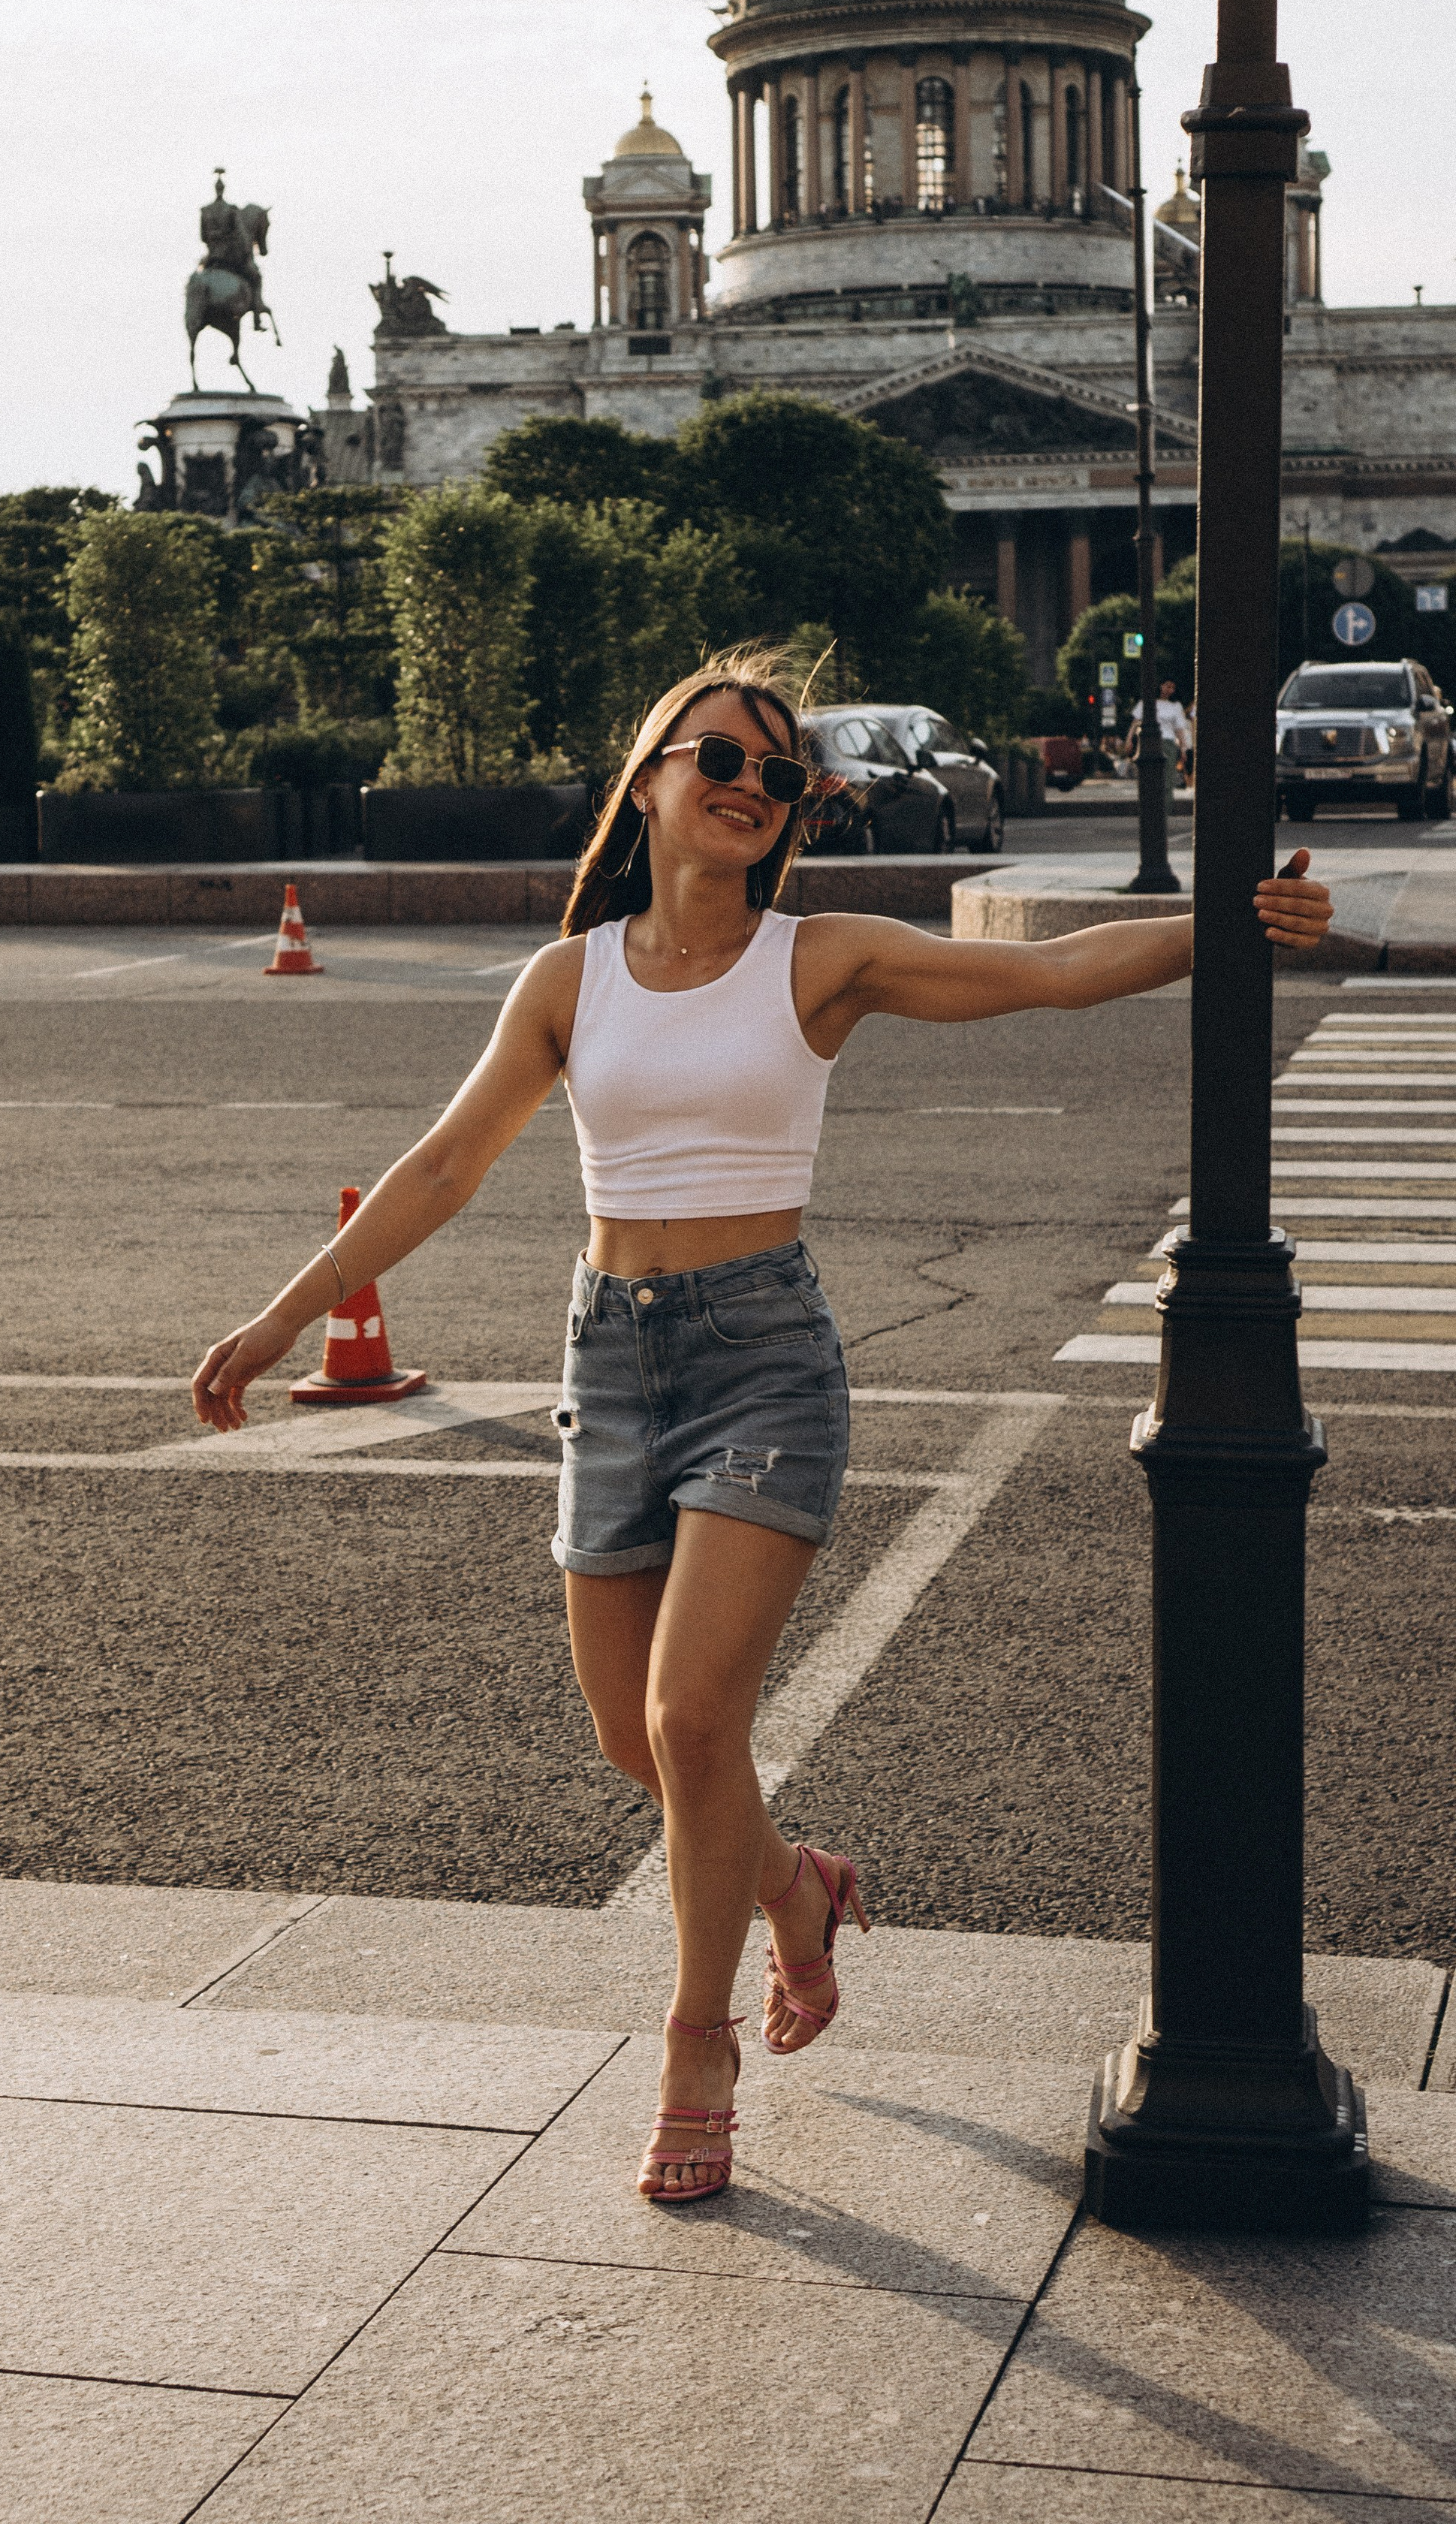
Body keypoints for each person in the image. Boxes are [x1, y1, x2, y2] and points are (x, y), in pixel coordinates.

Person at [190, 650, 1332, 2206]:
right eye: (717, 757)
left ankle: (691, 2041)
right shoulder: (566, 979)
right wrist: (282, 1315)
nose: (746, 785)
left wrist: (1229, 927)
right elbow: (445, 1166)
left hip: (761, 1363)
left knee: (687, 1722)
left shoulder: (817, 960)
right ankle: (797, 1890)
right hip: (607, 1363)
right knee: (631, 1737)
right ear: (648, 778)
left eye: (776, 775)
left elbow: (1046, 975)